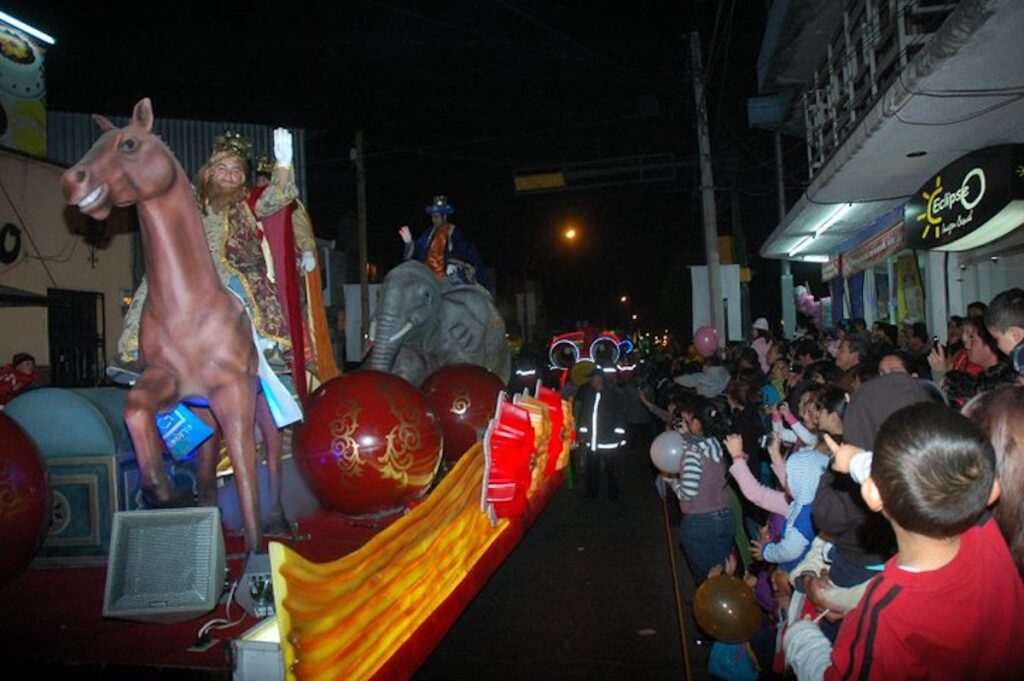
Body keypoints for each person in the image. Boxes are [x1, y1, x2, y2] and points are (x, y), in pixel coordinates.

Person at [785, 403, 1024, 680]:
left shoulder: (886, 613)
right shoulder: (986, 532)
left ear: (873, 496)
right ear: (992, 491)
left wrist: (801, 639)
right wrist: (856, 462)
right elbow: (924, 479)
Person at [115, 130, 306, 394]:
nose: (229, 175)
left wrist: (283, 165)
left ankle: (268, 346)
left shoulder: (247, 201)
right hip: (189, 268)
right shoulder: (189, 199)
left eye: (236, 170)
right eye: (222, 168)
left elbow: (274, 200)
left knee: (254, 285)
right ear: (209, 171)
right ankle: (133, 351)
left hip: (235, 267)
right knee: (153, 280)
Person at [667, 396, 735, 585]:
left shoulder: (692, 454)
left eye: (686, 418)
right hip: (724, 516)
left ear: (696, 422)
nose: (683, 421)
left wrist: (671, 480)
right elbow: (700, 446)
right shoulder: (716, 443)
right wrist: (687, 436)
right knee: (723, 573)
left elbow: (687, 492)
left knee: (707, 583)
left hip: (700, 522)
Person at [398, 195, 487, 288]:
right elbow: (416, 249)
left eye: (436, 217)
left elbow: (468, 253)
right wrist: (409, 242)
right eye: (432, 217)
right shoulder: (429, 233)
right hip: (426, 275)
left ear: (444, 217)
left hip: (447, 277)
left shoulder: (456, 234)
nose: (433, 220)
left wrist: (456, 262)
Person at [574, 366, 627, 499]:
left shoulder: (612, 395)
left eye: (593, 377)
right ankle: (591, 492)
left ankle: (613, 492)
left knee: (611, 468)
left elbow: (620, 416)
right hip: (593, 441)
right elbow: (584, 416)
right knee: (592, 468)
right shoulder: (589, 395)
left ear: (599, 378)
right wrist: (582, 434)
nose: (591, 380)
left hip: (608, 441)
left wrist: (619, 436)